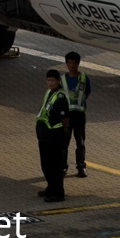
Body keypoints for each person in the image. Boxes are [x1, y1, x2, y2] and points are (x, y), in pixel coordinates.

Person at [35, 68, 71, 201]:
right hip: (45, 135)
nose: (50, 83)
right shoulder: (49, 93)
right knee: (46, 164)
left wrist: (60, 131)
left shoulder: (60, 97)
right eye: (48, 80)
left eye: (53, 81)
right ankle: (50, 187)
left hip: (54, 136)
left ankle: (58, 193)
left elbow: (65, 119)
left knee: (55, 166)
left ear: (58, 81)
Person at [62, 51, 93, 177]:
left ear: (78, 63)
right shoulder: (63, 80)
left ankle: (81, 167)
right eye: (69, 63)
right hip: (67, 116)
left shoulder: (84, 78)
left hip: (79, 115)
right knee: (64, 142)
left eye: (74, 63)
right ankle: (63, 167)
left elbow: (88, 92)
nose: (72, 65)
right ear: (66, 64)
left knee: (80, 142)